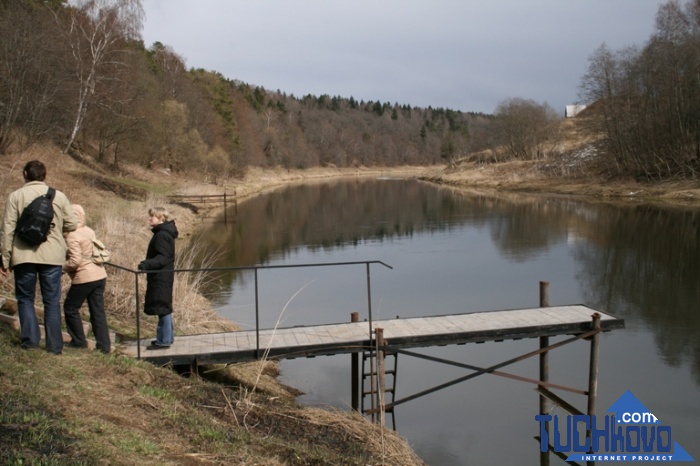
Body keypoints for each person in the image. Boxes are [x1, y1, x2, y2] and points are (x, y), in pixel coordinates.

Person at [0, 160, 77, 354]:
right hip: (52, 256)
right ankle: (55, 345)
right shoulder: (58, 196)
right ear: (45, 175)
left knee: (25, 298)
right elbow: (72, 224)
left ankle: (31, 341)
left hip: (23, 254)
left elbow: (7, 229)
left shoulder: (15, 196)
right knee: (52, 301)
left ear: (25, 174)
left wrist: (5, 257)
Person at [62, 204, 110, 353]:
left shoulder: (71, 235)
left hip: (84, 276)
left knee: (70, 308)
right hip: (99, 274)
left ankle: (78, 341)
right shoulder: (89, 230)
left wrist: (61, 269)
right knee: (97, 311)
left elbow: (75, 260)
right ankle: (104, 346)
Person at [138, 206, 178, 350]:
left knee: (162, 307)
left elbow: (163, 257)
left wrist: (147, 264)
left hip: (161, 276)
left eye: (152, 216)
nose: (150, 218)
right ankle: (166, 337)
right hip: (163, 275)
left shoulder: (161, 234)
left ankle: (164, 340)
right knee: (164, 306)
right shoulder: (164, 233)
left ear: (161, 218)